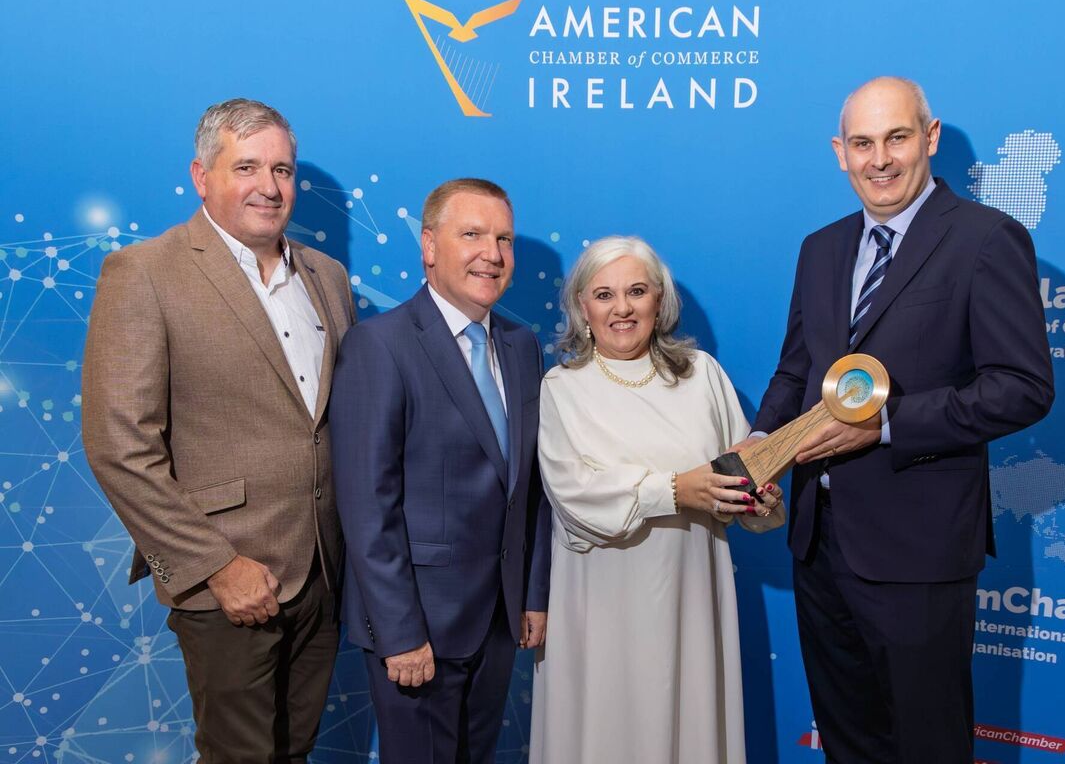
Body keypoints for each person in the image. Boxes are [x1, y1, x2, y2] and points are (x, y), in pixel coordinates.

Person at [742, 77, 1054, 763]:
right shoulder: (821, 248)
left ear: (930, 138)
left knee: (926, 747)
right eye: (862, 143)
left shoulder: (985, 240)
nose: (879, 159)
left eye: (896, 138)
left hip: (920, 552)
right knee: (848, 743)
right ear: (840, 153)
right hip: (818, 545)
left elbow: (1023, 387)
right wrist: (763, 446)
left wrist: (885, 425)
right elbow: (797, 370)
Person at [81, 98, 357, 762]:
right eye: (248, 167)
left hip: (323, 573)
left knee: (294, 752)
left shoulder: (329, 278)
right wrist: (214, 568)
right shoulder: (145, 273)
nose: (270, 187)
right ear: (201, 175)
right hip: (229, 580)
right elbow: (119, 446)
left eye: (283, 170)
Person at [530, 236, 784, 764]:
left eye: (636, 291)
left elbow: (739, 478)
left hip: (690, 591)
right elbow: (573, 495)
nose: (621, 308)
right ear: (582, 307)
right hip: (600, 602)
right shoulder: (561, 386)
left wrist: (758, 500)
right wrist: (673, 489)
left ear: (659, 301)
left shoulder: (702, 375)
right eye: (604, 295)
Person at [330, 178, 551, 763]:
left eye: (503, 238)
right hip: (418, 627)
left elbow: (529, 489)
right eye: (472, 234)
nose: (492, 253)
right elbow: (366, 507)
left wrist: (532, 594)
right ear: (428, 245)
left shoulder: (521, 345)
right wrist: (399, 633)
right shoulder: (380, 345)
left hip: (499, 623)